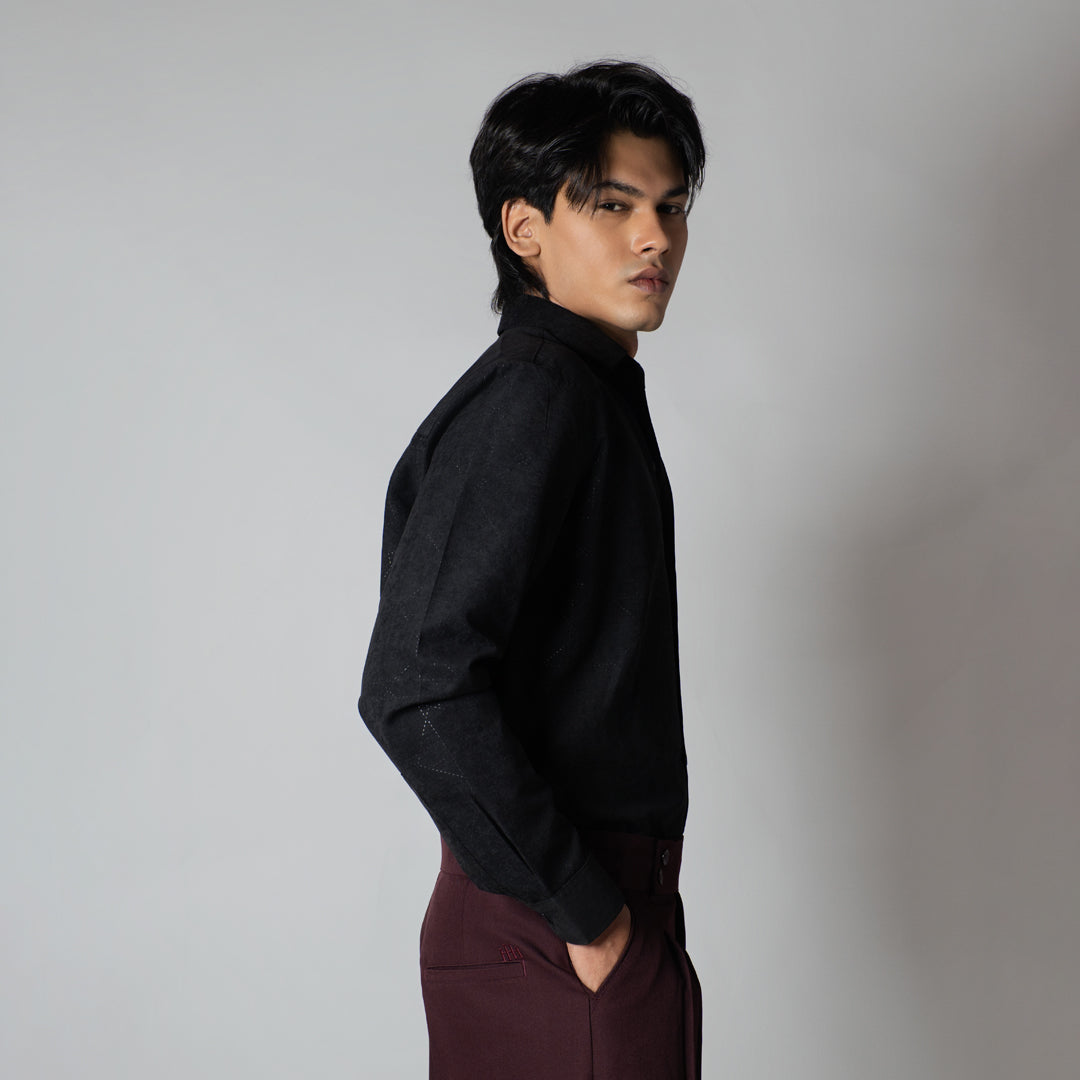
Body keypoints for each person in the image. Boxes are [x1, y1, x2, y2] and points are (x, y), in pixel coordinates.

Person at [359, 59, 706, 1080]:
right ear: (524, 229)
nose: (656, 237)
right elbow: (415, 685)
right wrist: (587, 912)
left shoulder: (583, 396)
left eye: (671, 206)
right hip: (553, 930)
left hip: (580, 919)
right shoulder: (536, 398)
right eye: (614, 204)